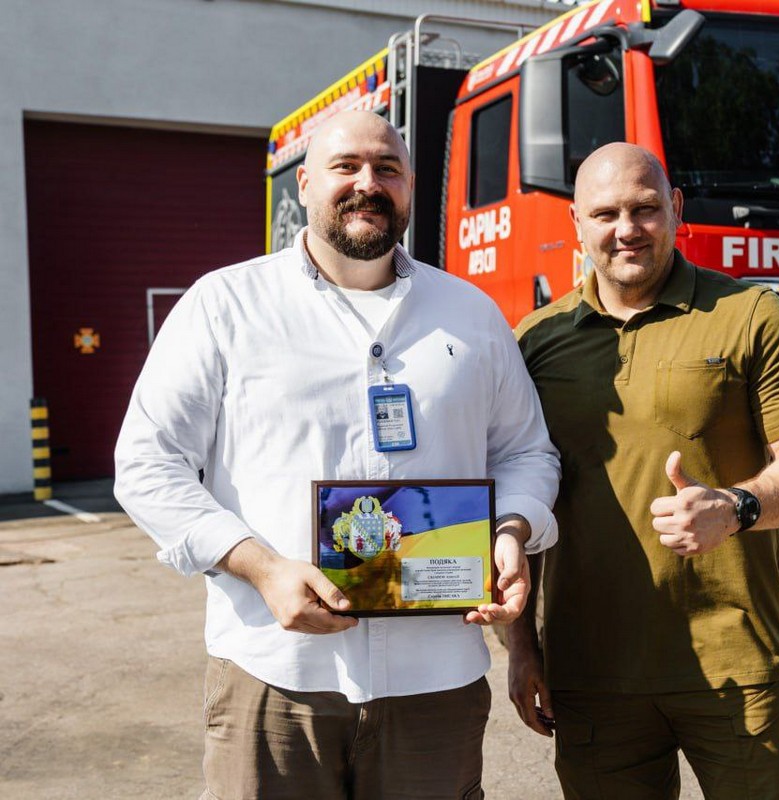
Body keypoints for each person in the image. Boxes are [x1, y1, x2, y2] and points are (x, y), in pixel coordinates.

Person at [114, 110, 560, 798]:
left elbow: (527, 452)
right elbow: (147, 462)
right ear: (305, 182)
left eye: (387, 169)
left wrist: (510, 530)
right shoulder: (227, 305)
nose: (367, 183)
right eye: (345, 167)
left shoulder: (470, 315)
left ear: (411, 185)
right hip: (275, 676)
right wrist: (260, 568)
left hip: (435, 683)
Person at [509, 143, 779, 799]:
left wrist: (736, 507)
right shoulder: (536, 340)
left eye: (645, 209)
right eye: (605, 213)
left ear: (676, 209)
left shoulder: (751, 315)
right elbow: (523, 496)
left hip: (736, 663)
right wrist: (521, 649)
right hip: (592, 673)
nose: (626, 229)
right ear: (575, 222)